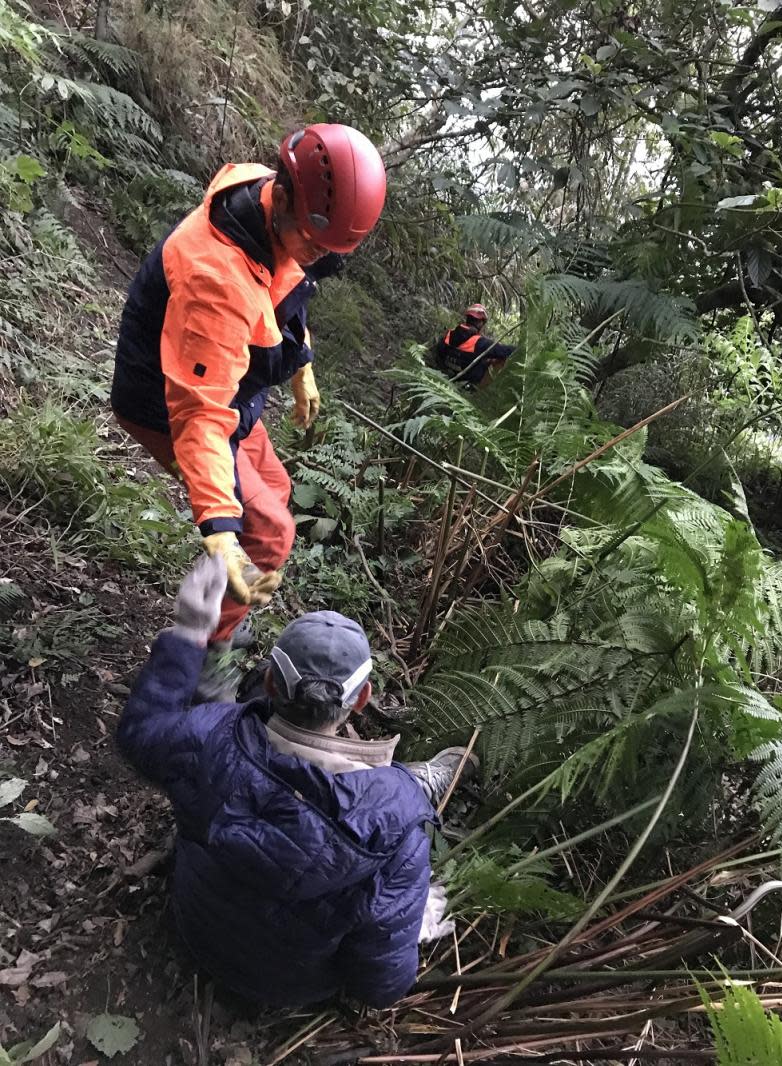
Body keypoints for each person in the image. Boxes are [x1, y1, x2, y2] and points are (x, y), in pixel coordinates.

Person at [117, 554, 476, 1008]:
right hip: (286, 987)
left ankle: (406, 779)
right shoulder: (396, 837)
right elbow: (380, 987)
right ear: (363, 699)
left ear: (269, 683)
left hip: (197, 927)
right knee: (395, 800)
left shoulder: (207, 737)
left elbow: (140, 731)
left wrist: (190, 629)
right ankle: (410, 780)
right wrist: (416, 909)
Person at [110, 124, 386, 699]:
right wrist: (219, 529)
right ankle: (207, 657)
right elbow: (200, 413)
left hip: (231, 389)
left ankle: (214, 608)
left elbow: (286, 287)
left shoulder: (272, 208)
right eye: (316, 245)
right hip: (165, 402)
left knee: (277, 490)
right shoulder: (217, 277)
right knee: (267, 532)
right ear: (283, 197)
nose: (319, 259)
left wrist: (302, 367)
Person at [436, 303, 514, 387]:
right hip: (467, 385)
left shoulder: (449, 334)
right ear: (481, 322)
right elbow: (506, 351)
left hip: (444, 377)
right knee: (499, 359)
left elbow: (440, 351)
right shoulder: (480, 342)